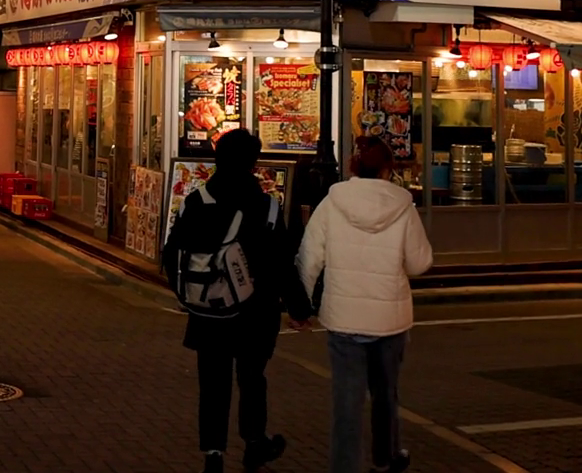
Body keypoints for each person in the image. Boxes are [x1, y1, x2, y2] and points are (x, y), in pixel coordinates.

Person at [164, 129, 311, 473]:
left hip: (207, 313)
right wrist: (299, 308)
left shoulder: (195, 201)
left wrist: (188, 294)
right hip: (255, 312)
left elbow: (172, 254)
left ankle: (213, 453)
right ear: (252, 163)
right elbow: (281, 262)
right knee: (252, 378)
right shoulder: (266, 207)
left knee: (212, 384)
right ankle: (254, 443)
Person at [297, 136, 433, 473]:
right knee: (386, 394)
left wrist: (300, 307)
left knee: (347, 401)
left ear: (354, 167)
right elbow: (420, 263)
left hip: (344, 320)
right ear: (388, 169)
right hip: (389, 318)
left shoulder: (333, 203)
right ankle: (385, 458)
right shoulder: (402, 206)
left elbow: (309, 258)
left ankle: (345, 467)